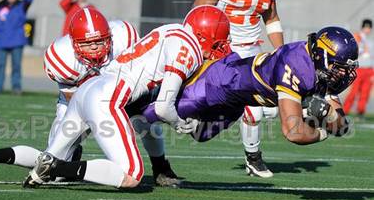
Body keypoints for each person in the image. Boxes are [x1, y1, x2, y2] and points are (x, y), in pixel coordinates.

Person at [0, 8, 180, 187]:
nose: (94, 47)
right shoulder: (61, 57)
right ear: (74, 43)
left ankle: (160, 166)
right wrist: (88, 127)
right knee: (53, 162)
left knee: (145, 119)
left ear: (110, 37)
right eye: (87, 43)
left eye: (100, 41)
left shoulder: (125, 35)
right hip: (76, 99)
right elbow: (73, 98)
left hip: (120, 92)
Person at [22, 5, 231, 188]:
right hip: (98, 96)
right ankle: (59, 169)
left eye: (100, 41)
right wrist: (181, 123)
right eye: (217, 43)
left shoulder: (168, 30)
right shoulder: (189, 49)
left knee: (49, 155)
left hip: (89, 90)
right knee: (131, 175)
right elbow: (162, 108)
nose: (95, 47)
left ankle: (3, 159)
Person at [137, 26, 357, 146]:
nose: (343, 74)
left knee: (200, 134)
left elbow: (342, 127)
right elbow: (293, 132)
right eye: (339, 67)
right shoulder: (296, 65)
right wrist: (321, 133)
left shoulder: (322, 71)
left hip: (239, 100)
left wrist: (328, 114)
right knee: (146, 114)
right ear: (321, 55)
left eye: (346, 69)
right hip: (218, 83)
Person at [193, 0, 286, 177]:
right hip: (222, 48)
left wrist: (281, 52)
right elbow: (199, 12)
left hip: (250, 50)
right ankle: (253, 157)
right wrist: (201, 48)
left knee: (272, 105)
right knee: (253, 106)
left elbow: (271, 18)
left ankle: (219, 118)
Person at [0, 0, 33, 94]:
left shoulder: (22, 5)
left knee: (16, 66)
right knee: (0, 65)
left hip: (17, 41)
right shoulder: (1, 5)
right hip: (2, 41)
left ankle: (16, 87)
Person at [344, 19, 373, 117]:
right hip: (359, 69)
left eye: (369, 28)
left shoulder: (370, 41)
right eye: (366, 27)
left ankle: (361, 112)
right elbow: (355, 50)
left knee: (365, 92)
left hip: (369, 69)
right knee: (354, 91)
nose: (367, 29)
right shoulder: (358, 37)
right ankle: (345, 110)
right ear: (363, 27)